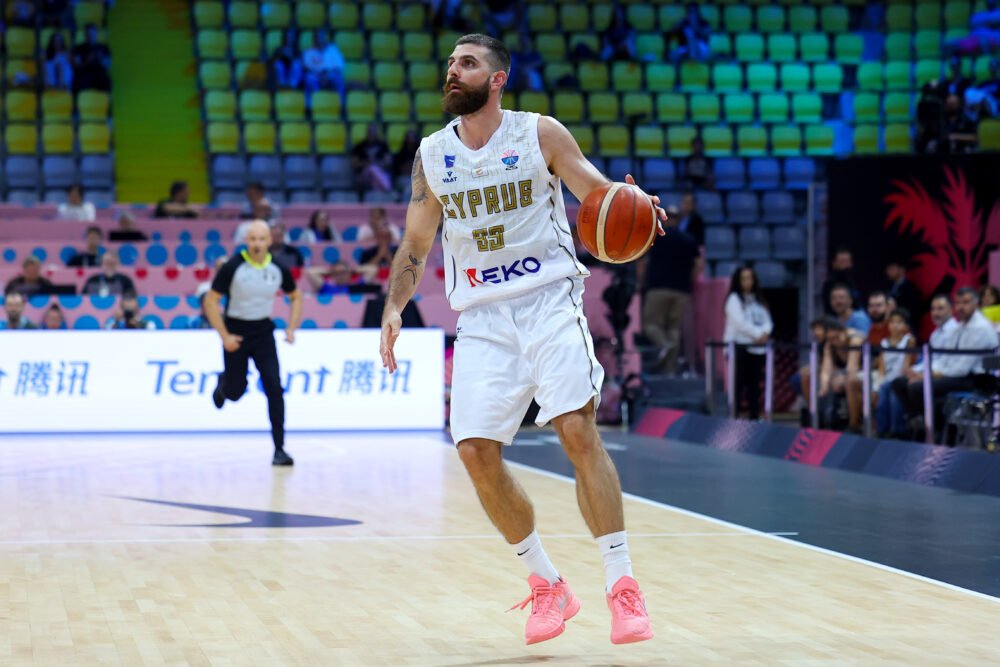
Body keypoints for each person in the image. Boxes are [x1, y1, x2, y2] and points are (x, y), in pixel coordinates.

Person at [379, 34, 662, 646]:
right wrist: (395, 306)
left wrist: (634, 205)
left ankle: (622, 584)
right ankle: (548, 583)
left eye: (468, 63)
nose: (453, 71)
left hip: (548, 299)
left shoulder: (540, 134)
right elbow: (416, 242)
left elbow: (598, 194)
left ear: (497, 79)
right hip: (482, 316)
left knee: (576, 429)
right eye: (451, 63)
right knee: (475, 452)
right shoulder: (432, 154)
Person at [204, 221, 303, 466]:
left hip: (263, 332)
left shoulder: (278, 268)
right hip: (236, 332)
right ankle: (224, 384)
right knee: (236, 392)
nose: (257, 243)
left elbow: (296, 296)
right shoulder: (233, 267)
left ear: (269, 241)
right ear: (246, 241)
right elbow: (210, 301)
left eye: (261, 239)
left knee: (274, 387)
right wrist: (224, 336)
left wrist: (291, 327)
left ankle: (279, 449)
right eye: (253, 239)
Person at [895, 287, 998, 433]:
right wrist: (923, 372)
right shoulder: (960, 327)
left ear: (976, 304)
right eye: (958, 303)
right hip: (956, 375)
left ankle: (936, 430)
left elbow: (962, 368)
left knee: (917, 387)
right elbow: (944, 359)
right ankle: (924, 422)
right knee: (899, 382)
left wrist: (929, 376)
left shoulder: (981, 328)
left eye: (966, 303)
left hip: (976, 380)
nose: (960, 307)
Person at [639, 204, 701, 374]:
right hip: (681, 290)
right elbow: (698, 264)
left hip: (657, 288)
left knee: (650, 324)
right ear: (679, 220)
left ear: (665, 219)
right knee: (673, 328)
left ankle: (664, 345)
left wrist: (641, 283)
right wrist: (689, 281)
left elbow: (643, 263)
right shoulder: (689, 239)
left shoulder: (655, 238)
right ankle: (670, 369)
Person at [723, 266, 773, 420]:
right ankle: (733, 418)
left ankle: (754, 418)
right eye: (743, 279)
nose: (747, 282)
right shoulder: (733, 299)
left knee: (755, 386)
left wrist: (765, 333)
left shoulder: (758, 300)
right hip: (739, 347)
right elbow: (739, 323)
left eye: (750, 278)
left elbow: (768, 321)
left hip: (757, 348)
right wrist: (757, 334)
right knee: (738, 385)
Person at [875, 309, 916, 438]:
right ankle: (882, 430)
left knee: (894, 392)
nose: (895, 325)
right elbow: (882, 366)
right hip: (887, 378)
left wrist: (899, 378)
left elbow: (906, 363)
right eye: (892, 322)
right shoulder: (884, 342)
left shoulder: (909, 340)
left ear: (906, 326)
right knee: (882, 391)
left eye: (899, 322)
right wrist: (880, 382)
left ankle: (897, 430)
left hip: (901, 377)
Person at [302, 29, 346, 106]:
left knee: (338, 79)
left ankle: (341, 105)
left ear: (325, 37)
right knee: (308, 78)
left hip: (330, 74)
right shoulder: (309, 52)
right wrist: (319, 75)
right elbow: (307, 68)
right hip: (316, 76)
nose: (320, 39)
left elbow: (339, 67)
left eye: (321, 36)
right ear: (314, 39)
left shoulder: (333, 49)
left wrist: (327, 74)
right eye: (317, 37)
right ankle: (311, 106)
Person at [351, 123, 394, 194]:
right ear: (367, 132)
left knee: (374, 179)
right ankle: (388, 189)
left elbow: (388, 162)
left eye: (373, 132)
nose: (371, 134)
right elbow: (354, 164)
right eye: (370, 131)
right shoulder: (359, 146)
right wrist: (366, 163)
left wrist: (379, 164)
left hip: (380, 173)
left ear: (376, 133)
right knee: (372, 168)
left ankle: (378, 195)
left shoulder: (383, 145)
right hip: (363, 176)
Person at [71, 24, 111, 92]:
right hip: (84, 75)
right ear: (85, 35)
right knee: (77, 81)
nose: (90, 36)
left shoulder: (104, 48)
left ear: (96, 34)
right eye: (88, 34)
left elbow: (108, 65)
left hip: (99, 75)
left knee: (107, 81)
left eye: (92, 33)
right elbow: (76, 65)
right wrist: (87, 61)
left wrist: (100, 58)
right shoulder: (79, 48)